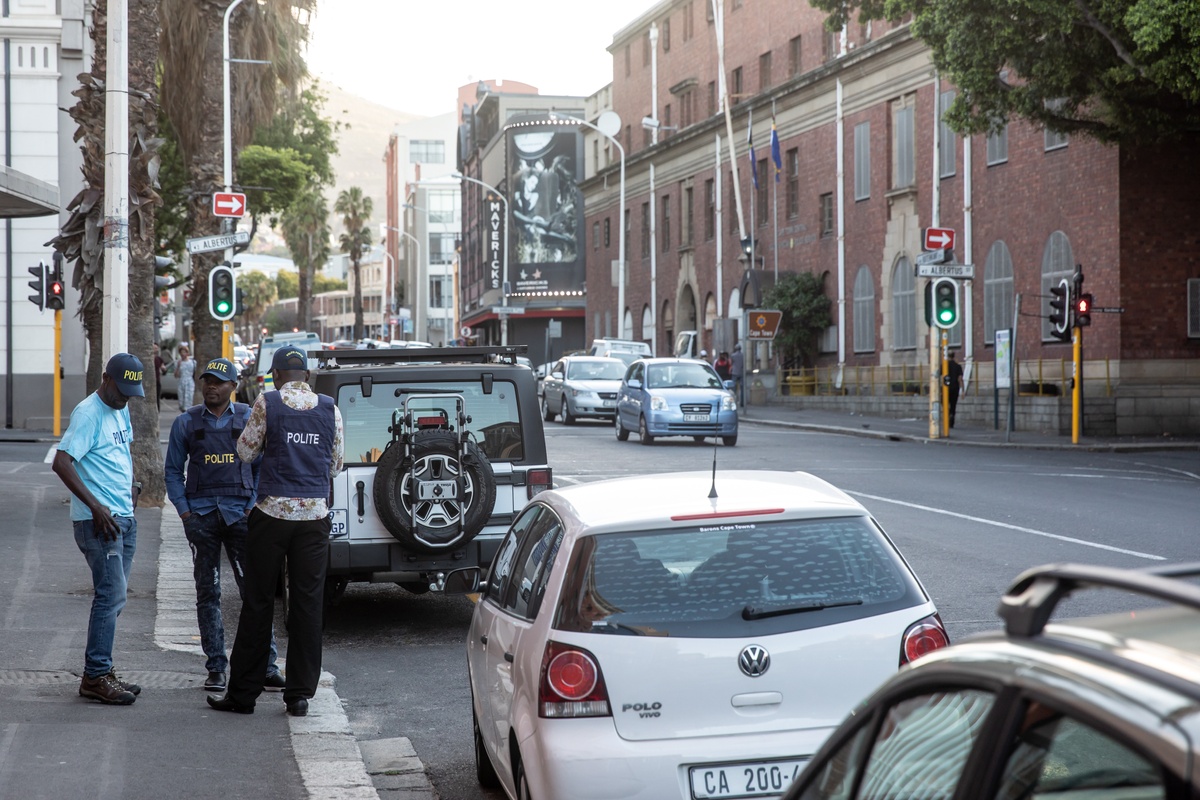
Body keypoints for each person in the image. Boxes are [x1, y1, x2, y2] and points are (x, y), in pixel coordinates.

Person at [208, 346, 343, 717]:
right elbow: (335, 465)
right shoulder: (330, 408)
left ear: (277, 375)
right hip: (314, 518)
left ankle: (243, 695)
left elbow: (246, 452)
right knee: (307, 605)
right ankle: (298, 695)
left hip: (271, 515)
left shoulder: (267, 403)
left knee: (258, 603)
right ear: (307, 377)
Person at [164, 357, 284, 694]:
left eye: (218, 381)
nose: (211, 387)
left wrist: (250, 507)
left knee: (254, 594)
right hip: (201, 518)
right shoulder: (186, 423)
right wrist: (186, 513)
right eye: (207, 381)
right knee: (208, 593)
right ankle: (216, 667)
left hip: (241, 517)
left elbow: (263, 467)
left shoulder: (249, 419)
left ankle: (267, 666)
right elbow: (173, 471)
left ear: (233, 386)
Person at [51, 353, 145, 705]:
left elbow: (121, 453)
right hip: (98, 522)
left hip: (123, 517)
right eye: (121, 390)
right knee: (110, 595)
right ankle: (95, 676)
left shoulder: (120, 407)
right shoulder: (88, 412)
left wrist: (133, 484)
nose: (124, 398)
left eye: (130, 393)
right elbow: (62, 462)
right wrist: (95, 506)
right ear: (105, 378)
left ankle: (103, 670)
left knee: (115, 598)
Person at [946, 350, 964, 428]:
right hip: (955, 388)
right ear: (954, 356)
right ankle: (952, 416)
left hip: (946, 388)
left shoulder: (944, 366)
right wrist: (962, 390)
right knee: (953, 405)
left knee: (946, 403)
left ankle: (948, 415)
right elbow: (960, 378)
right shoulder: (958, 366)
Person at [175, 345, 195, 413]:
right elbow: (176, 375)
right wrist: (178, 366)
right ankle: (183, 412)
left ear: (187, 353)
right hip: (181, 381)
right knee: (181, 400)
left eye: (184, 352)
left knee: (189, 399)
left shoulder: (193, 362)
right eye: (181, 352)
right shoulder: (178, 362)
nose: (183, 354)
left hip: (189, 382)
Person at [153, 344, 166, 412]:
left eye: (156, 348)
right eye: (154, 348)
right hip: (150, 381)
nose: (155, 349)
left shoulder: (159, 359)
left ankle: (158, 411)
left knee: (157, 397)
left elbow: (163, 368)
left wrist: (163, 369)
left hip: (157, 380)